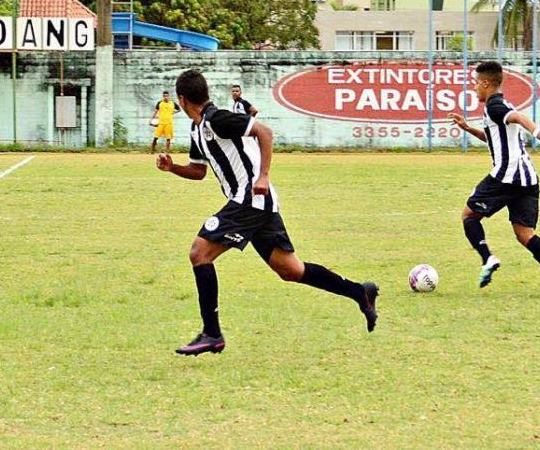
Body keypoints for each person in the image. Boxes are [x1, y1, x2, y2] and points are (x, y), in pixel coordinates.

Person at [156, 69, 378, 357]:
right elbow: (199, 171)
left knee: (199, 253)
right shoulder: (198, 129)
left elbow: (264, 132)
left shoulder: (217, 119)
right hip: (258, 204)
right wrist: (173, 167)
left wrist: (263, 176)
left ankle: (212, 333)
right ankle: (360, 292)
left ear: (182, 100)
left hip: (250, 200)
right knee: (291, 270)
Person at [448, 61, 540, 300]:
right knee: (524, 234)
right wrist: (467, 128)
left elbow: (517, 118)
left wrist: (536, 131)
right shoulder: (499, 105)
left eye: (476, 83)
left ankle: (487, 258)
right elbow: (493, 140)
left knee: (468, 215)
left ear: (486, 83)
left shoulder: (495, 105)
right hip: (527, 178)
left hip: (507, 176)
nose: (474, 88)